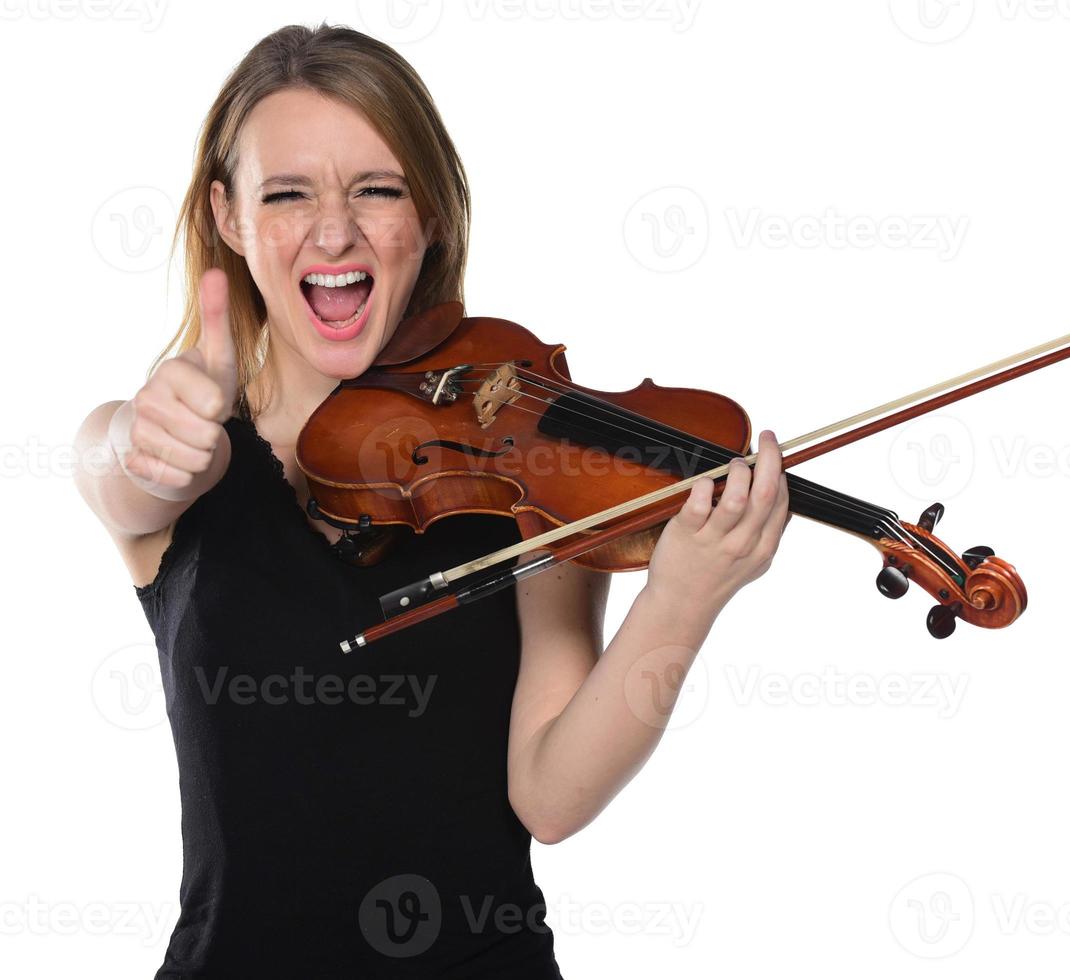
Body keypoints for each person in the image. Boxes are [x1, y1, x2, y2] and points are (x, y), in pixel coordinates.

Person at [73, 23, 788, 978]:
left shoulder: (522, 464)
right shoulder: (175, 450)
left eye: (377, 189)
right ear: (230, 216)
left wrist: (684, 598)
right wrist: (154, 438)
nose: (335, 232)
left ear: (432, 214)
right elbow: (120, 473)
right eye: (287, 194)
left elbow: (550, 796)